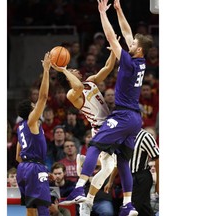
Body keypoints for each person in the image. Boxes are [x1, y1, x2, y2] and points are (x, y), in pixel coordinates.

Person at [59, 0, 153, 216]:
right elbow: (127, 32)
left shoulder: (129, 62)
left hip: (121, 116)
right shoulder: (140, 61)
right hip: (131, 119)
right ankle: (127, 205)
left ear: (138, 49)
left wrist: (103, 13)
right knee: (121, 162)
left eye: (132, 44)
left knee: (94, 146)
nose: (129, 43)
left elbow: (113, 36)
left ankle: (79, 189)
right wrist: (119, 10)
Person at [51, 40, 118, 216]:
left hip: (108, 127)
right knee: (110, 166)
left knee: (109, 167)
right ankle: (87, 198)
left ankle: (87, 199)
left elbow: (107, 68)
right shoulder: (72, 94)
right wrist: (63, 69)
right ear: (68, 78)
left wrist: (113, 50)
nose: (76, 70)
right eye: (72, 71)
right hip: (100, 128)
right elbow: (78, 86)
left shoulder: (90, 81)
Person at [15, 52, 51, 216]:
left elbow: (17, 156)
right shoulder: (31, 121)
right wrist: (46, 70)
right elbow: (43, 97)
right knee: (42, 208)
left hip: (22, 169)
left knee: (30, 209)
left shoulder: (20, 127)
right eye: (33, 106)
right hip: (34, 167)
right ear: (31, 111)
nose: (37, 108)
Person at [104, 128, 160, 216]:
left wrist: (158, 184)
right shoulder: (121, 136)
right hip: (127, 177)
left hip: (141, 177)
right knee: (143, 209)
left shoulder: (145, 136)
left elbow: (157, 157)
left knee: (129, 209)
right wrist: (110, 181)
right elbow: (119, 161)